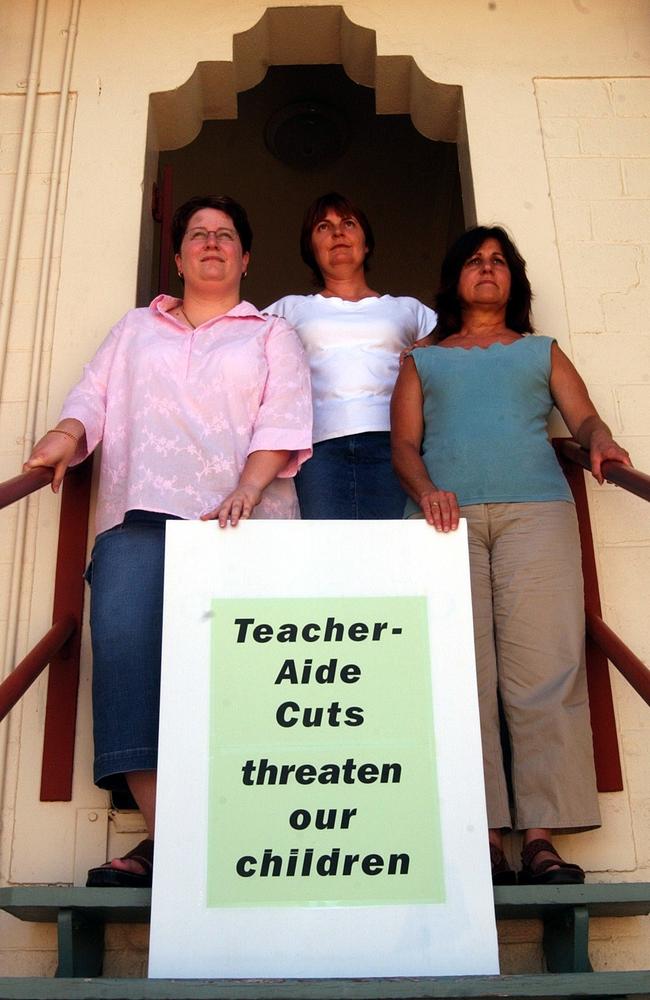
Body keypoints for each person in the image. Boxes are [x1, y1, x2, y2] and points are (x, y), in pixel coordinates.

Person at [24, 195, 312, 887]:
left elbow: (286, 415)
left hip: (244, 523)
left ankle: (239, 838)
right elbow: (91, 398)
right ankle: (173, 838)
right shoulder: (134, 329)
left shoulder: (271, 334)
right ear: (178, 256)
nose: (211, 244)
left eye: (225, 236)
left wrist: (247, 485)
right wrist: (63, 438)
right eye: (197, 235)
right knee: (126, 659)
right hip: (139, 515)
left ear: (244, 257)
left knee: (241, 680)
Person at [391, 225, 632, 885]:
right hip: (444, 520)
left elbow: (582, 419)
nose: (488, 269)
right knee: (460, 675)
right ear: (455, 278)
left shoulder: (539, 351)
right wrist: (428, 490)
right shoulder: (424, 358)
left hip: (538, 513)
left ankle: (540, 837)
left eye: (499, 261)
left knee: (545, 670)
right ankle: (483, 835)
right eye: (474, 260)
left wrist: (603, 440)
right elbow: (404, 446)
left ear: (514, 281)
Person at [266, 192, 436, 519]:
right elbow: (236, 340)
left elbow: (452, 351)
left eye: (348, 223)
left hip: (395, 445)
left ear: (366, 242)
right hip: (317, 448)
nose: (338, 233)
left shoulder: (411, 310)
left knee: (392, 554)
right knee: (329, 555)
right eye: (323, 227)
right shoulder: (288, 309)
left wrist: (424, 354)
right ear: (310, 248)